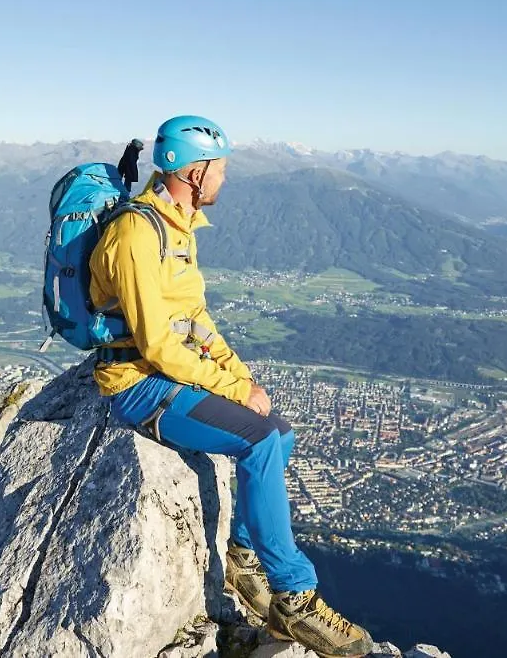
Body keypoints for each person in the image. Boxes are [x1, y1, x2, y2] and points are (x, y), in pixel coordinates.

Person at [88, 115, 373, 657]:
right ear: (194, 173)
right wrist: (234, 391)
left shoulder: (177, 227)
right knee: (259, 440)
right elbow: (157, 346)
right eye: (220, 168)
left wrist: (242, 378)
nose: (225, 178)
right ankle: (294, 596)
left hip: (166, 375)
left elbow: (197, 322)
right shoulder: (136, 235)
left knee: (279, 434)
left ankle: (241, 557)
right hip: (137, 385)